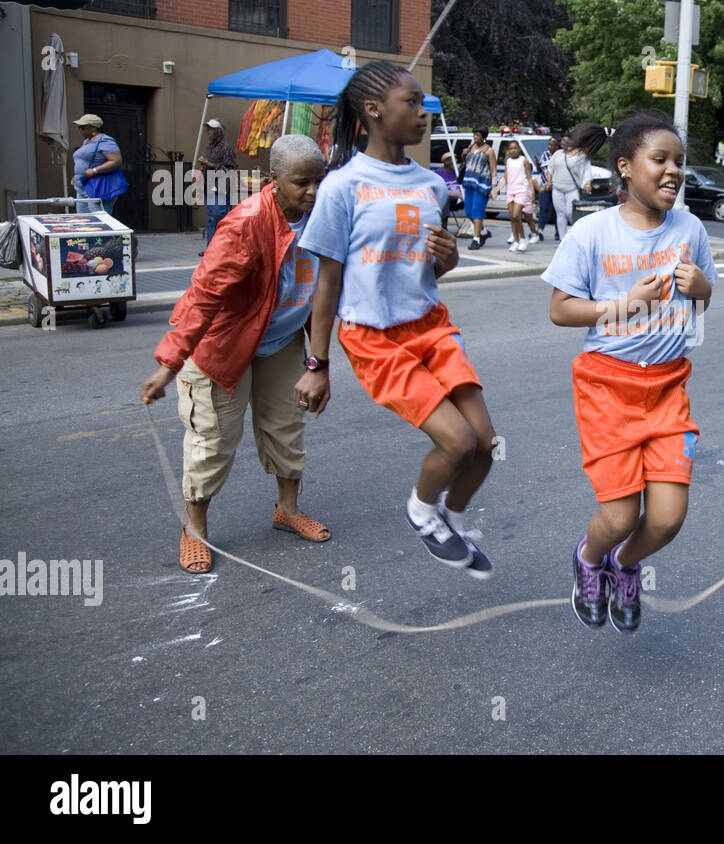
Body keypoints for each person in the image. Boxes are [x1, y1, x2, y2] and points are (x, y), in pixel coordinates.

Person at [297, 60, 496, 579]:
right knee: (456, 441)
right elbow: (327, 284)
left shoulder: (432, 184)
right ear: (373, 110)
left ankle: (448, 518)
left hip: (431, 323)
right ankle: (420, 511)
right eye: (411, 101)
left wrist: (447, 259)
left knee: (484, 447)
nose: (423, 111)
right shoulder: (342, 187)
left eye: (423, 102)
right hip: (375, 337)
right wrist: (317, 364)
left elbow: (431, 267)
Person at [542, 111, 717, 634]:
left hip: (667, 386)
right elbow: (560, 309)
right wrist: (621, 306)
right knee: (619, 518)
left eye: (679, 162)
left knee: (665, 519)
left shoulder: (690, 229)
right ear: (625, 167)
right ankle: (591, 559)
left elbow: (704, 302)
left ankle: (624, 564)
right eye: (659, 160)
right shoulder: (592, 231)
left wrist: (702, 288)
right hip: (608, 386)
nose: (673, 171)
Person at [140, 134, 331, 574]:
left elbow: (327, 295)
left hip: (282, 342)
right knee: (213, 442)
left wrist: (320, 365)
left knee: (287, 427)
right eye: (302, 183)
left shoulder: (326, 218)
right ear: (273, 180)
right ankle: (195, 529)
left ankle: (286, 509)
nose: (313, 192)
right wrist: (169, 362)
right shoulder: (244, 223)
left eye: (318, 181)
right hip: (227, 345)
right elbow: (203, 296)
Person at [197, 119, 238, 256]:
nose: (209, 132)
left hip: (220, 186)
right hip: (209, 186)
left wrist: (208, 163)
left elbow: (229, 168)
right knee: (211, 218)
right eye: (208, 129)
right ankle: (211, 248)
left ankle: (222, 248)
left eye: (212, 129)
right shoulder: (210, 147)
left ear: (219, 131)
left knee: (219, 216)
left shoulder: (225, 147)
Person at [71, 114, 126, 215]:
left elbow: (116, 161)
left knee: (99, 219)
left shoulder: (104, 140)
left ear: (93, 127)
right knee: (83, 220)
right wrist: (77, 174)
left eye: (83, 127)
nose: (80, 129)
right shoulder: (86, 141)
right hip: (82, 186)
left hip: (96, 186)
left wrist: (94, 170)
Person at [548, 131, 593, 242]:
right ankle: (563, 239)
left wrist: (587, 183)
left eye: (567, 141)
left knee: (570, 213)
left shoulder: (580, 155)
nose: (564, 143)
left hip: (571, 189)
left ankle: (575, 236)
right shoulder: (557, 154)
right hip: (557, 189)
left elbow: (586, 170)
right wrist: (549, 181)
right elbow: (550, 169)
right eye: (563, 141)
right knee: (560, 214)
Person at [461, 128, 496, 250]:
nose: (476, 137)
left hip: (482, 184)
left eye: (478, 135)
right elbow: (465, 162)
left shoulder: (489, 151)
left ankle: (476, 239)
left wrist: (493, 187)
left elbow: (493, 170)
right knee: (468, 211)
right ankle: (484, 232)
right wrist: (464, 153)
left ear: (484, 137)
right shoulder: (471, 147)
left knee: (477, 211)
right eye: (474, 134)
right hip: (469, 182)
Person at [536, 135, 560, 241]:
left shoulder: (560, 156)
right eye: (549, 145)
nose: (550, 147)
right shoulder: (544, 155)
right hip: (545, 186)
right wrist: (537, 165)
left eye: (552, 145)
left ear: (557, 146)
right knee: (543, 208)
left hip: (557, 187)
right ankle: (540, 230)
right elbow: (541, 169)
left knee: (556, 211)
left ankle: (558, 231)